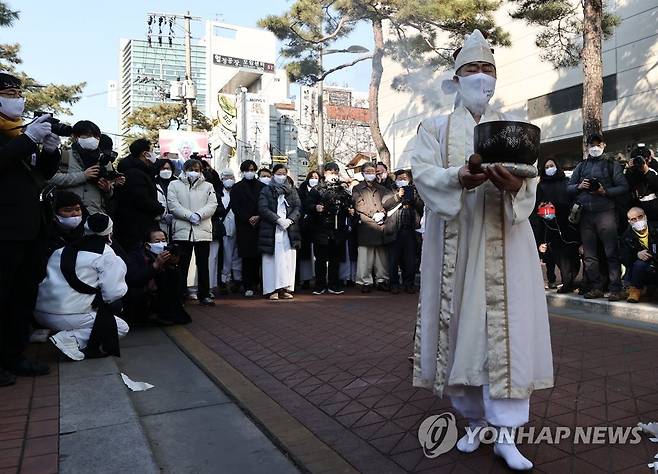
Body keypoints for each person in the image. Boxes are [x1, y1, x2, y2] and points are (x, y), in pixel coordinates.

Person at [410, 30, 553, 471]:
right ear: (456, 77)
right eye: (472, 69)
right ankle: (474, 422)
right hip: (457, 241)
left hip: (507, 243)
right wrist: (459, 176)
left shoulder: (513, 126)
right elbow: (422, 175)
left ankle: (507, 434)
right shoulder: (432, 127)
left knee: (507, 336)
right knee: (462, 334)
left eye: (488, 68)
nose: (481, 77)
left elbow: (528, 179)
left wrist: (516, 187)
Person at [0, 72, 61, 385]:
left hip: (31, 226)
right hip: (5, 229)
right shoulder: (18, 137)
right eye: (9, 92)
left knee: (23, 295)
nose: (17, 98)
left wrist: (50, 149)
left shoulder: (22, 132)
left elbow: (42, 174)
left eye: (18, 92)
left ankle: (14, 356)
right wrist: (28, 140)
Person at [34, 214, 129, 361]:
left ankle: (56, 334)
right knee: (120, 327)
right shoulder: (107, 254)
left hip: (39, 313)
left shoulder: (62, 250)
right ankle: (69, 339)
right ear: (109, 232)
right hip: (67, 315)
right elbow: (113, 294)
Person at [567, 133, 628, 301]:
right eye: (591, 145)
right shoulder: (581, 166)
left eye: (597, 144)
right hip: (586, 214)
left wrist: (604, 191)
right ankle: (596, 287)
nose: (594, 147)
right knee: (589, 255)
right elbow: (569, 188)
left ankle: (616, 288)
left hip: (606, 212)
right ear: (587, 147)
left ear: (603, 145)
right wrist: (579, 186)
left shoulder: (612, 164)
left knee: (611, 252)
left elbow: (623, 187)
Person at [167, 159, 218, 306]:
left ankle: (204, 294)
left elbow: (212, 204)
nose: (194, 171)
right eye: (191, 169)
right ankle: (181, 294)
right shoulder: (174, 184)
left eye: (197, 169)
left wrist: (199, 215)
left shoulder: (208, 186)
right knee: (182, 264)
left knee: (203, 265)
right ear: (184, 169)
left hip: (202, 230)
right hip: (182, 230)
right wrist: (189, 215)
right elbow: (173, 204)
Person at [533, 160, 581, 294]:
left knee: (572, 253)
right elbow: (538, 205)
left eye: (551, 166)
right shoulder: (541, 185)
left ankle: (571, 279)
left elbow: (573, 198)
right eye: (546, 167)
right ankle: (566, 280)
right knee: (559, 254)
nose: (549, 168)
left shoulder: (567, 182)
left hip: (569, 224)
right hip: (551, 225)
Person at [124, 229, 191, 325]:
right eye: (157, 241)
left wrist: (173, 265)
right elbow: (134, 279)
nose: (161, 243)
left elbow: (177, 284)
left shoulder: (168, 254)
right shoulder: (136, 256)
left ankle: (165, 314)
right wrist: (155, 265)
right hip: (141, 296)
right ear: (147, 245)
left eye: (163, 240)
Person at [48, 120, 115, 215]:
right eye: (88, 135)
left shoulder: (104, 161)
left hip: (95, 216)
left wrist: (107, 189)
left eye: (96, 137)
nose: (93, 139)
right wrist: (83, 176)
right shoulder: (63, 156)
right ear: (76, 137)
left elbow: (110, 191)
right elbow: (50, 179)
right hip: (68, 215)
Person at [307, 163, 354, 294]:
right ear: (325, 173)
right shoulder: (317, 189)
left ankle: (334, 284)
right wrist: (315, 208)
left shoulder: (342, 190)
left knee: (335, 259)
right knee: (320, 259)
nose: (333, 174)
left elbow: (348, 204)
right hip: (320, 229)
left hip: (337, 229)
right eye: (330, 172)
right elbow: (307, 205)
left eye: (335, 172)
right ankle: (320, 284)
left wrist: (349, 210)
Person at [258, 164, 301, 300]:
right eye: (278, 173)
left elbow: (298, 207)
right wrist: (278, 220)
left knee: (287, 259)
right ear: (273, 174)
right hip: (272, 228)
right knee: (272, 260)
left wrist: (290, 220)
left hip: (289, 229)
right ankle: (272, 289)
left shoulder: (292, 189)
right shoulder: (266, 190)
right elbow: (263, 208)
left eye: (283, 173)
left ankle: (284, 287)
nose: (281, 176)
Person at [114, 139, 164, 249]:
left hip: (136, 225)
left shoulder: (141, 171)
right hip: (136, 227)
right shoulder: (135, 173)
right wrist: (159, 208)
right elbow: (141, 200)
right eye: (152, 151)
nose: (153, 154)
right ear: (145, 154)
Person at [352, 162, 391, 293]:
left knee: (381, 256)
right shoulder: (357, 188)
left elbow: (386, 202)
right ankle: (365, 281)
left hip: (381, 224)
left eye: (372, 171)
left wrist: (382, 213)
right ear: (363, 173)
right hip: (366, 225)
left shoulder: (382, 188)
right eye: (367, 171)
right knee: (365, 256)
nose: (370, 174)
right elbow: (359, 204)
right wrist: (373, 214)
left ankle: (382, 280)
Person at [383, 169, 424, 294]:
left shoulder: (415, 189)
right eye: (399, 178)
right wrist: (397, 196)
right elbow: (385, 203)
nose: (402, 181)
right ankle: (394, 284)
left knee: (410, 260)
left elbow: (422, 206)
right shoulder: (389, 189)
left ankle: (409, 284)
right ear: (395, 179)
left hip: (410, 230)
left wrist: (413, 197)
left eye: (404, 178)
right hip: (395, 229)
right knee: (393, 260)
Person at [231, 160, 265, 297]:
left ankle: (257, 281)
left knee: (258, 256)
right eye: (247, 170)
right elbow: (235, 206)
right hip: (244, 225)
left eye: (252, 169)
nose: (250, 172)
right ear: (243, 171)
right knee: (246, 257)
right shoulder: (237, 187)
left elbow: (264, 204)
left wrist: (258, 216)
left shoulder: (262, 186)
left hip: (259, 225)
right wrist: (247, 218)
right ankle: (247, 285)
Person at [211, 169, 242, 295]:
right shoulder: (218, 193)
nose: (229, 179)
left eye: (231, 177)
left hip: (238, 228)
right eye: (225, 177)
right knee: (225, 256)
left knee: (237, 255)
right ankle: (224, 280)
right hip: (223, 229)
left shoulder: (238, 191)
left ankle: (237, 279)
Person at [620, 207, 658, 303]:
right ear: (629, 221)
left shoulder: (655, 228)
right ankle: (636, 290)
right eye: (633, 219)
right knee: (639, 264)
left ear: (645, 216)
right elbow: (624, 258)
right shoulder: (626, 236)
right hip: (640, 268)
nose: (637, 220)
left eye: (640, 217)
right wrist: (636, 255)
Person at [297, 170, 320, 289]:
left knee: (317, 254)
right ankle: (305, 279)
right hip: (304, 226)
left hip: (318, 226)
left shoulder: (322, 190)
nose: (314, 179)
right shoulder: (301, 190)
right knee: (305, 254)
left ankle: (317, 277)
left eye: (316, 177)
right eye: (312, 177)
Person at [46, 191, 86, 256]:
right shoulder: (47, 236)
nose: (75, 214)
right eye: (68, 210)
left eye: (77, 209)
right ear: (54, 214)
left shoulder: (87, 231)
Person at [625, 146, 658, 222]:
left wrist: (647, 171)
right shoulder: (631, 171)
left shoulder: (655, 167)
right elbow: (628, 188)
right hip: (639, 209)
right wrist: (630, 170)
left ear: (649, 159)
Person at [155, 160, 176, 235]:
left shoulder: (178, 183)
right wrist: (163, 216)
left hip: (177, 222)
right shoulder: (153, 183)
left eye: (168, 168)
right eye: (163, 169)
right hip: (159, 223)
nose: (166, 171)